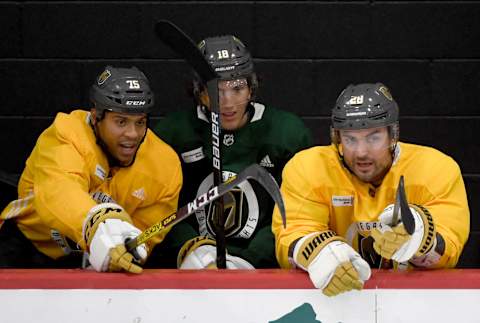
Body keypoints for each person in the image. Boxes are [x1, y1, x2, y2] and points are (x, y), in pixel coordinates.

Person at [272, 83, 470, 296]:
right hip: (337, 300)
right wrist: (319, 254)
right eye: (350, 139)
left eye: (373, 138)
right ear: (337, 138)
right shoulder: (308, 168)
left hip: (413, 301)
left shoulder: (435, 168)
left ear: (392, 135)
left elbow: (450, 242)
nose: (361, 152)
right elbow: (292, 232)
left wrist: (420, 237)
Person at [0, 66, 182, 273]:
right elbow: (60, 190)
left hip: (96, 260)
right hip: (30, 248)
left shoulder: (164, 165)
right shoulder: (65, 135)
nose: (132, 134)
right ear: (96, 117)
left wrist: (128, 248)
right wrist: (99, 223)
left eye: (140, 122)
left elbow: (142, 235)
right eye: (121, 121)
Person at [152, 35, 313, 269]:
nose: (227, 102)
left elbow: (298, 210)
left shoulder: (288, 132)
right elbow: (156, 207)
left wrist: (252, 259)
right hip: (195, 264)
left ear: (251, 88)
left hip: (264, 266)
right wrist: (192, 249)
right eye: (215, 89)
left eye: (237, 88)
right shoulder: (172, 132)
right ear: (198, 90)